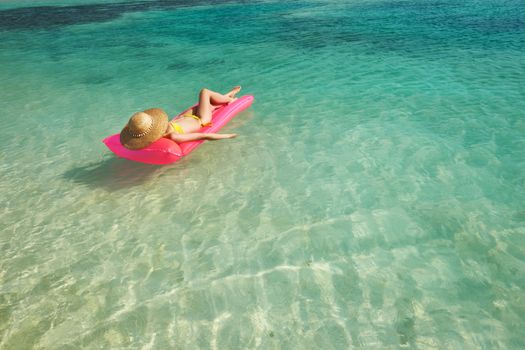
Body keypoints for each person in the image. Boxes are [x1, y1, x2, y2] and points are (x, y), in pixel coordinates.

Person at [120, 86, 241, 150]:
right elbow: (204, 136)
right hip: (201, 119)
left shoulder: (163, 127)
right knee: (204, 92)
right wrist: (227, 136)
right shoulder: (173, 136)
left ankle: (227, 96)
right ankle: (230, 99)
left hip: (187, 116)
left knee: (209, 103)